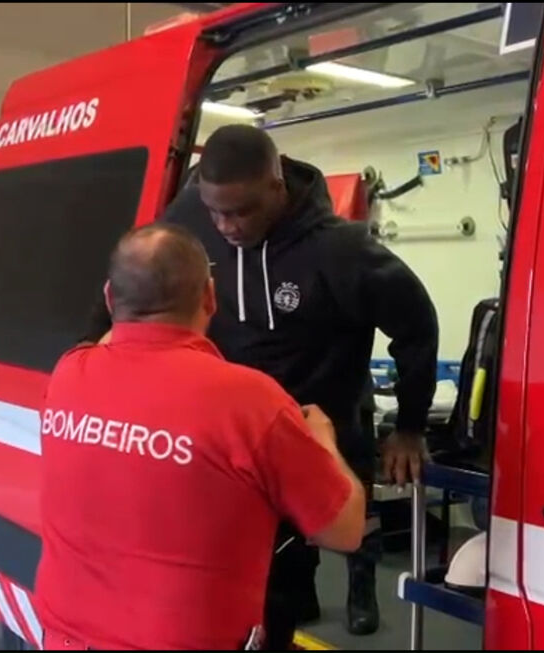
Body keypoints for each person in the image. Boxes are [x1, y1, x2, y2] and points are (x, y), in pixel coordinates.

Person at [81, 125, 439, 644]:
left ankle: (360, 590)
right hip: (233, 434)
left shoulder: (341, 250)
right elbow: (122, 285)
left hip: (322, 426)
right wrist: (90, 364)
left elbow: (416, 324)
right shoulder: (190, 216)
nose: (225, 225)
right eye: (216, 212)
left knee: (346, 530)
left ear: (277, 186)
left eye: (241, 211)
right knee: (270, 577)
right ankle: (293, 603)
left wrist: (408, 427)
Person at [35, 223, 366, 650]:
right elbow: (345, 531)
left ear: (110, 299)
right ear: (210, 298)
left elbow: (115, 342)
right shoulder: (251, 402)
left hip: (64, 640)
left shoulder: (68, 375)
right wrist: (323, 439)